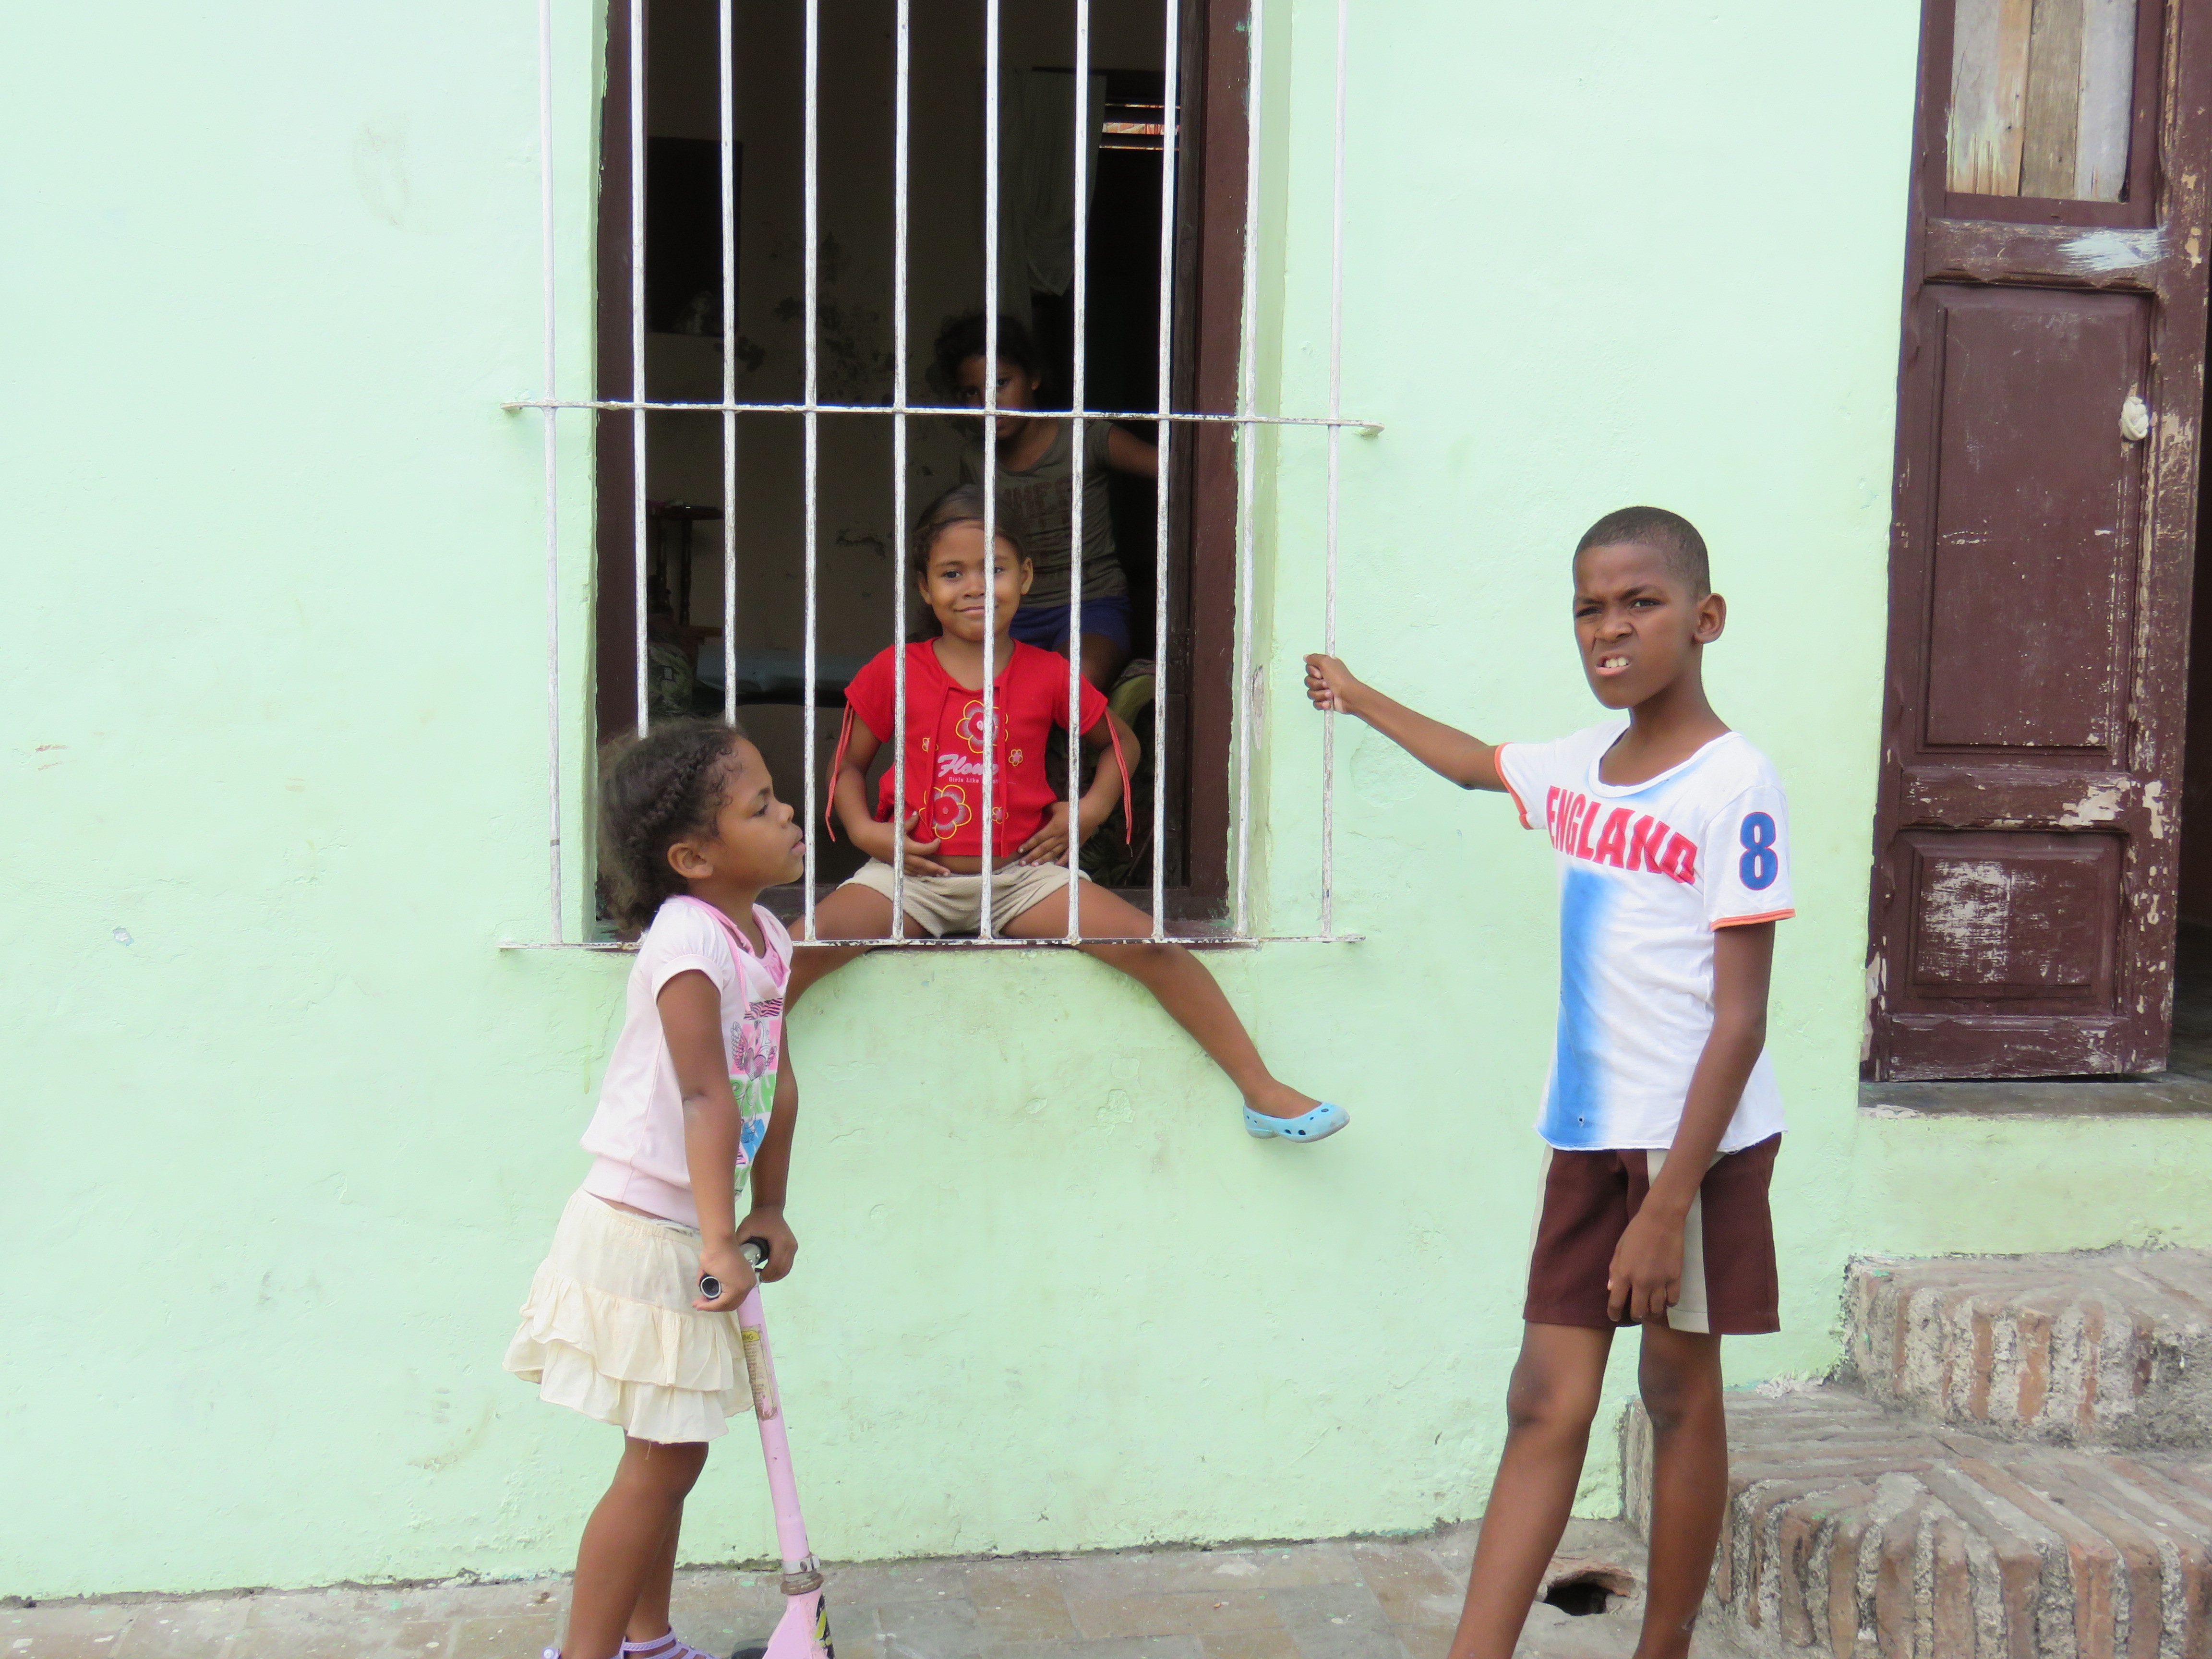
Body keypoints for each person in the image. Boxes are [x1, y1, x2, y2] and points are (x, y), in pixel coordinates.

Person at [1304, 506, 1791, 1659]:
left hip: (1696, 1149)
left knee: (1675, 1395)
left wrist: (1667, 1207)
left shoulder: (1735, 783)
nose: (1609, 627)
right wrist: (1361, 698)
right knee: (1545, 1399)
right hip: (1585, 1134)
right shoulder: (1580, 765)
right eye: (1588, 607)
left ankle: (1663, 1646)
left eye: (1640, 603)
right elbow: (1477, 764)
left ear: (1706, 618)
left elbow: (1740, 1019)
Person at [793, 483, 1346, 1142]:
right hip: (911, 881)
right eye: (952, 573)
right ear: (924, 587)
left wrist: (1090, 810)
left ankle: (1261, 1090)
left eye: (995, 568)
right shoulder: (895, 670)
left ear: (1025, 577)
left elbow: (1123, 745)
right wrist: (865, 832)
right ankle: (719, 1088)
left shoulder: (1049, 673)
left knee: (1152, 948)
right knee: (791, 954)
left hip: (1023, 880)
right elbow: (848, 768)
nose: (976, 587)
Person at [504, 718, 808, 1659]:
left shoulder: (765, 935)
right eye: (761, 805)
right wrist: (720, 1240)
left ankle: (649, 1641)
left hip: (693, 1226)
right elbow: (703, 1093)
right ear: (694, 857)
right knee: (662, 1461)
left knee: (667, 1453)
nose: (788, 813)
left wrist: (769, 1205)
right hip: (644, 1228)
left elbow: (774, 1081)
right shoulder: (686, 941)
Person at [935, 311, 1157, 690]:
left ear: (1034, 378)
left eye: (1001, 383)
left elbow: (1173, 470)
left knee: (1072, 685)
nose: (988, 401)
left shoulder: (1085, 438)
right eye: (971, 392)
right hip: (1010, 610)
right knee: (982, 692)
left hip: (1091, 605)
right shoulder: (976, 459)